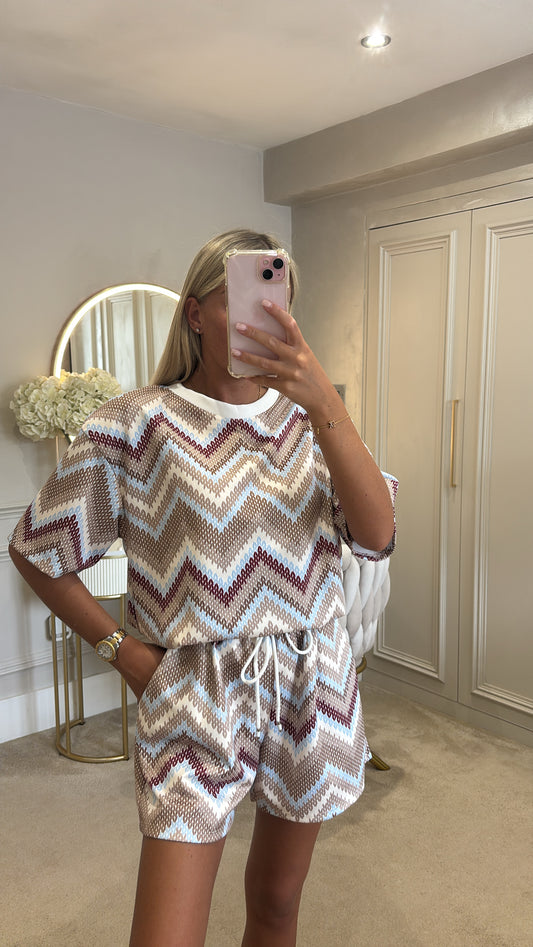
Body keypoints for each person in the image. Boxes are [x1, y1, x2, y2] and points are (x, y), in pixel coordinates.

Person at [9, 229, 397, 947]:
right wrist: (125, 653)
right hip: (194, 692)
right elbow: (37, 550)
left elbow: (376, 535)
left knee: (276, 905)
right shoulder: (135, 423)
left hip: (311, 684)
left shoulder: (311, 421)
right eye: (243, 300)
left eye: (279, 303)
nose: (266, 318)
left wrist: (323, 404)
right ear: (195, 313)